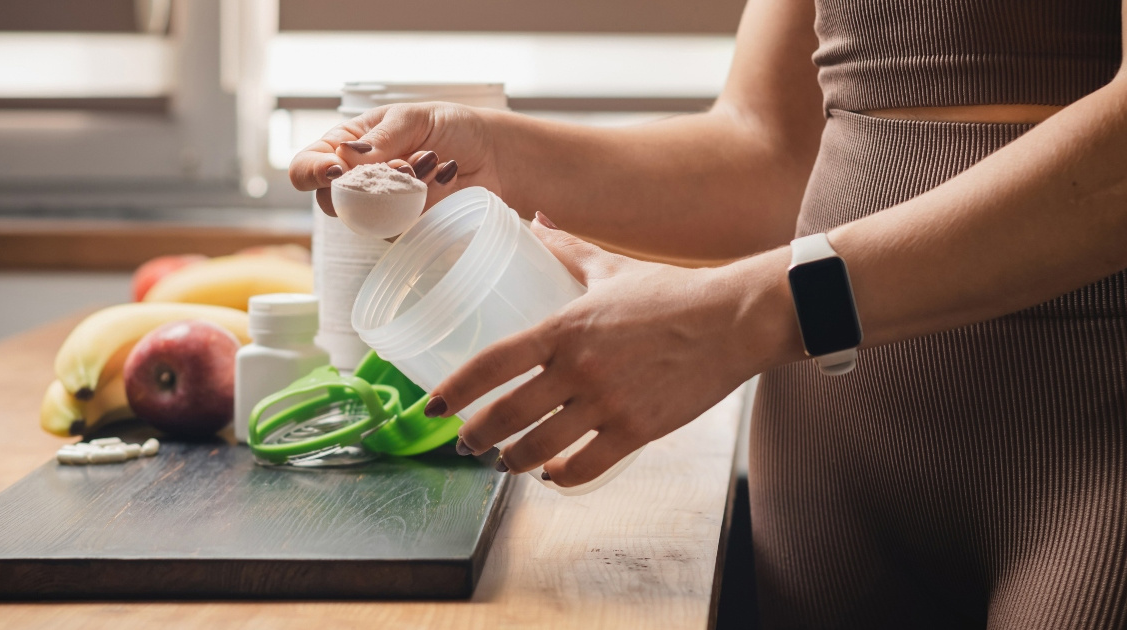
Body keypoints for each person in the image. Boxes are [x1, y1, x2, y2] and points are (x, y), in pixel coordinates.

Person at [291, 1, 1127, 625]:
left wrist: (743, 315)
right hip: (832, 463)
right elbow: (772, 151)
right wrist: (494, 151)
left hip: (1089, 451)